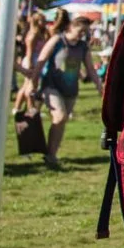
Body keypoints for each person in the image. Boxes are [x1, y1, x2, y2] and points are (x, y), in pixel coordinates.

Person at [37, 14, 92, 167]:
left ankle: (51, 154)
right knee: (59, 117)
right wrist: (32, 82)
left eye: (85, 32)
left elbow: (91, 70)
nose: (83, 34)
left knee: (61, 122)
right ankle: (50, 154)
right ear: (70, 27)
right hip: (51, 85)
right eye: (81, 30)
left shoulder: (83, 47)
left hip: (71, 89)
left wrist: (102, 90)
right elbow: (40, 61)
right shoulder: (57, 40)